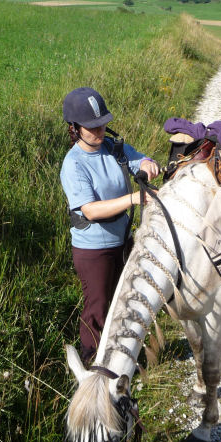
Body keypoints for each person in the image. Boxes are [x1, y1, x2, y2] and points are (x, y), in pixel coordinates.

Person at [59, 87, 160, 363]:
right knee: (98, 308)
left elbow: (138, 158)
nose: (100, 130)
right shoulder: (74, 164)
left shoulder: (113, 149)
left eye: (102, 123)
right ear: (75, 128)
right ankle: (92, 364)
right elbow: (90, 210)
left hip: (122, 240)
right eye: (92, 126)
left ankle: (125, 356)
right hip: (93, 251)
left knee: (126, 298)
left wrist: (149, 163)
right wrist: (133, 198)